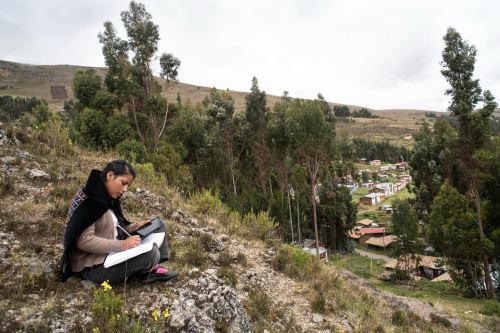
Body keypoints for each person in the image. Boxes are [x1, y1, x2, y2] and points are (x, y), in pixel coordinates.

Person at [61, 160, 178, 283]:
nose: (125, 189)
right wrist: (123, 245)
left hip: (114, 253)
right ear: (110, 175)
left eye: (127, 186)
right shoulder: (90, 201)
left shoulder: (107, 197)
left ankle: (152, 268)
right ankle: (148, 267)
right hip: (94, 266)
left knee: (158, 225)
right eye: (123, 183)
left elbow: (113, 229)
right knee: (151, 253)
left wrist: (134, 226)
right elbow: (83, 241)